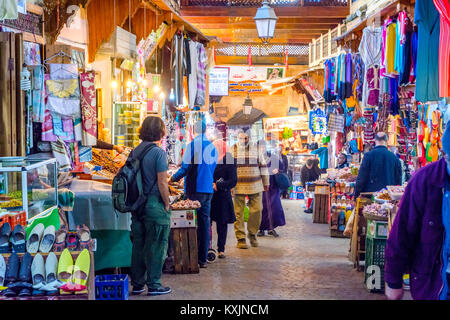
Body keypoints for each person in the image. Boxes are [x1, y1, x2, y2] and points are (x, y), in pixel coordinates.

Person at [385, 124, 450, 300]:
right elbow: (403, 230)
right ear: (445, 156)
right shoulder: (425, 180)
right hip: (434, 283)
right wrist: (393, 280)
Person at [129, 116, 172, 296]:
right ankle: (154, 285)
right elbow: (162, 182)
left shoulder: (135, 151)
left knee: (138, 244)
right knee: (156, 244)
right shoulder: (158, 153)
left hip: (137, 206)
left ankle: (137, 284)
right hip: (154, 204)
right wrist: (168, 203)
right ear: (160, 131)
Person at [170, 119, 218, 268]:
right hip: (208, 189)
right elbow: (212, 167)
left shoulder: (192, 145)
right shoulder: (212, 146)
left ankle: (189, 257)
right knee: (204, 224)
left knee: (189, 223)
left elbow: (185, 168)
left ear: (193, 130)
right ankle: (202, 259)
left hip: (195, 190)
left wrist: (171, 178)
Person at [233, 131, 270, 249]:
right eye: (241, 137)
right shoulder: (232, 149)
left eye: (245, 137)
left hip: (256, 184)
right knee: (238, 213)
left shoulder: (256, 149)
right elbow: (228, 168)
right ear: (237, 137)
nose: (243, 139)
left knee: (257, 210)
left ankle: (252, 234)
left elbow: (263, 166)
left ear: (248, 137)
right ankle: (241, 238)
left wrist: (266, 182)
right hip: (238, 185)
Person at [210, 139, 237, 259]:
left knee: (222, 223)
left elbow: (233, 180)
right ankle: (208, 246)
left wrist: (218, 185)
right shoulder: (210, 158)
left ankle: (221, 249)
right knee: (207, 221)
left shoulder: (229, 159)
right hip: (209, 195)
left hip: (222, 195)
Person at [354, 132, 402, 197]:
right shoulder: (394, 158)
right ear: (387, 141)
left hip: (370, 196)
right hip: (388, 197)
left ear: (375, 140)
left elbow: (362, 178)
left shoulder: (368, 156)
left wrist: (356, 194)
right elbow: (398, 181)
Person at [258, 142, 286, 237]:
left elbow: (282, 167)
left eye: (263, 147)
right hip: (260, 187)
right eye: (260, 147)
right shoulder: (256, 158)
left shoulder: (273, 157)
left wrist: (278, 171)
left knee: (274, 208)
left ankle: (271, 228)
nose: (262, 149)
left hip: (272, 187)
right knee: (260, 208)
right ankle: (261, 229)